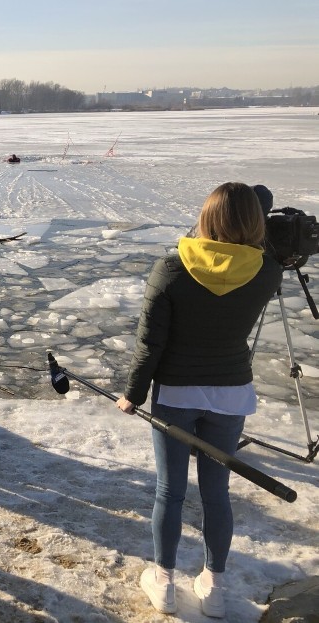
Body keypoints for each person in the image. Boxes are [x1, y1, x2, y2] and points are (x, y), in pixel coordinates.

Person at [115, 182, 282, 618]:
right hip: (231, 393)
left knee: (169, 492)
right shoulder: (267, 272)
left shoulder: (171, 269)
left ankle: (164, 582)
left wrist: (132, 395)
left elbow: (149, 344)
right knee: (216, 493)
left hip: (176, 393)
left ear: (206, 217)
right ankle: (215, 587)